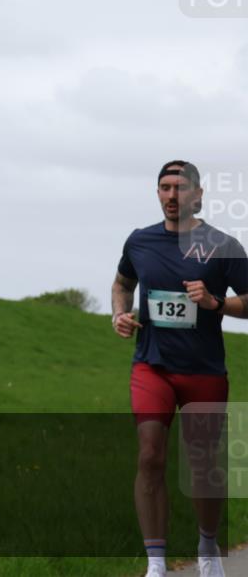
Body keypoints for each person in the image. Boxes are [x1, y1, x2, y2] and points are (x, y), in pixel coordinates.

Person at [111, 160, 248, 577]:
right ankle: (157, 564)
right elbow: (122, 284)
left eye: (181, 188)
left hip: (203, 370)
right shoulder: (139, 241)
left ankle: (208, 547)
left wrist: (215, 303)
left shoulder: (224, 246)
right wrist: (119, 313)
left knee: (203, 462)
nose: (172, 196)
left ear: (199, 194)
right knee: (150, 455)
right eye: (165, 188)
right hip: (152, 367)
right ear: (158, 194)